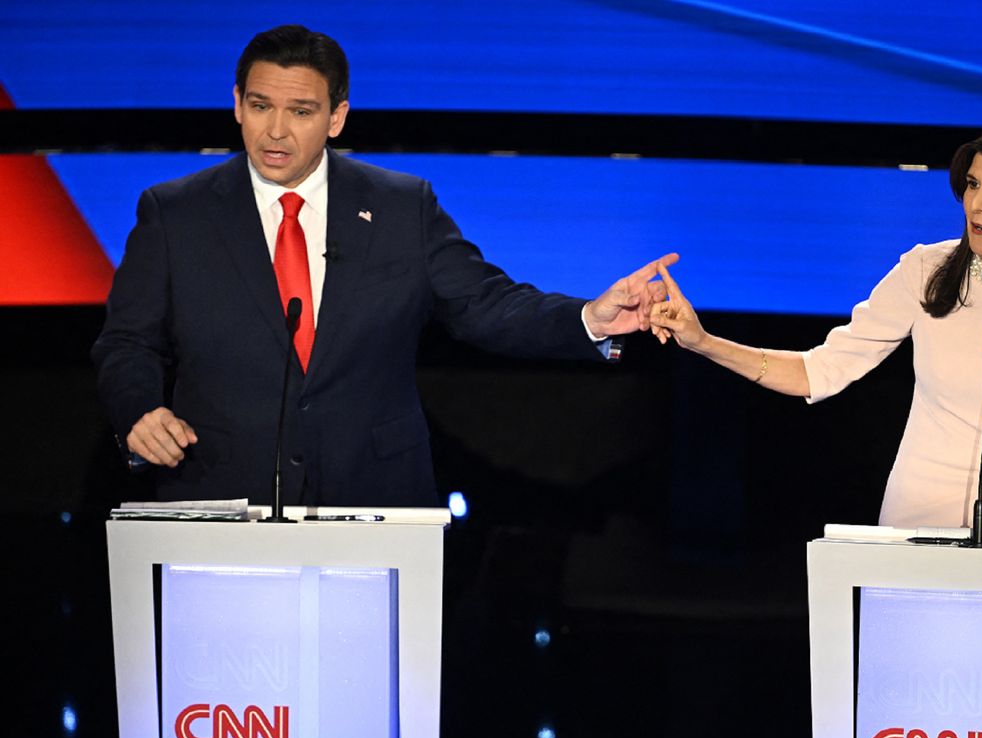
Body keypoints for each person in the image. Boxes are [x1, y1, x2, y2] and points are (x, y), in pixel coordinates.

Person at [91, 24, 676, 507]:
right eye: (261, 106)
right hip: (217, 494)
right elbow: (126, 342)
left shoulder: (402, 207)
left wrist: (591, 318)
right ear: (237, 104)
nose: (275, 130)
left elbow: (486, 306)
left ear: (337, 116)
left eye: (300, 111)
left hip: (373, 498)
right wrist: (139, 411)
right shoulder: (175, 213)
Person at [649, 116, 982, 569]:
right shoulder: (927, 272)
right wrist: (702, 342)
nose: (976, 204)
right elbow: (818, 370)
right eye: (973, 184)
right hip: (923, 516)